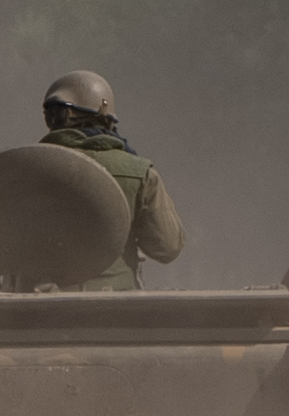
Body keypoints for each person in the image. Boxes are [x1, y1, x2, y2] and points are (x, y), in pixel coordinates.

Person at [36, 70, 185, 291]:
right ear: (105, 116)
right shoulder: (139, 171)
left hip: (29, 310)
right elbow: (167, 247)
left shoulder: (22, 168)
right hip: (114, 309)